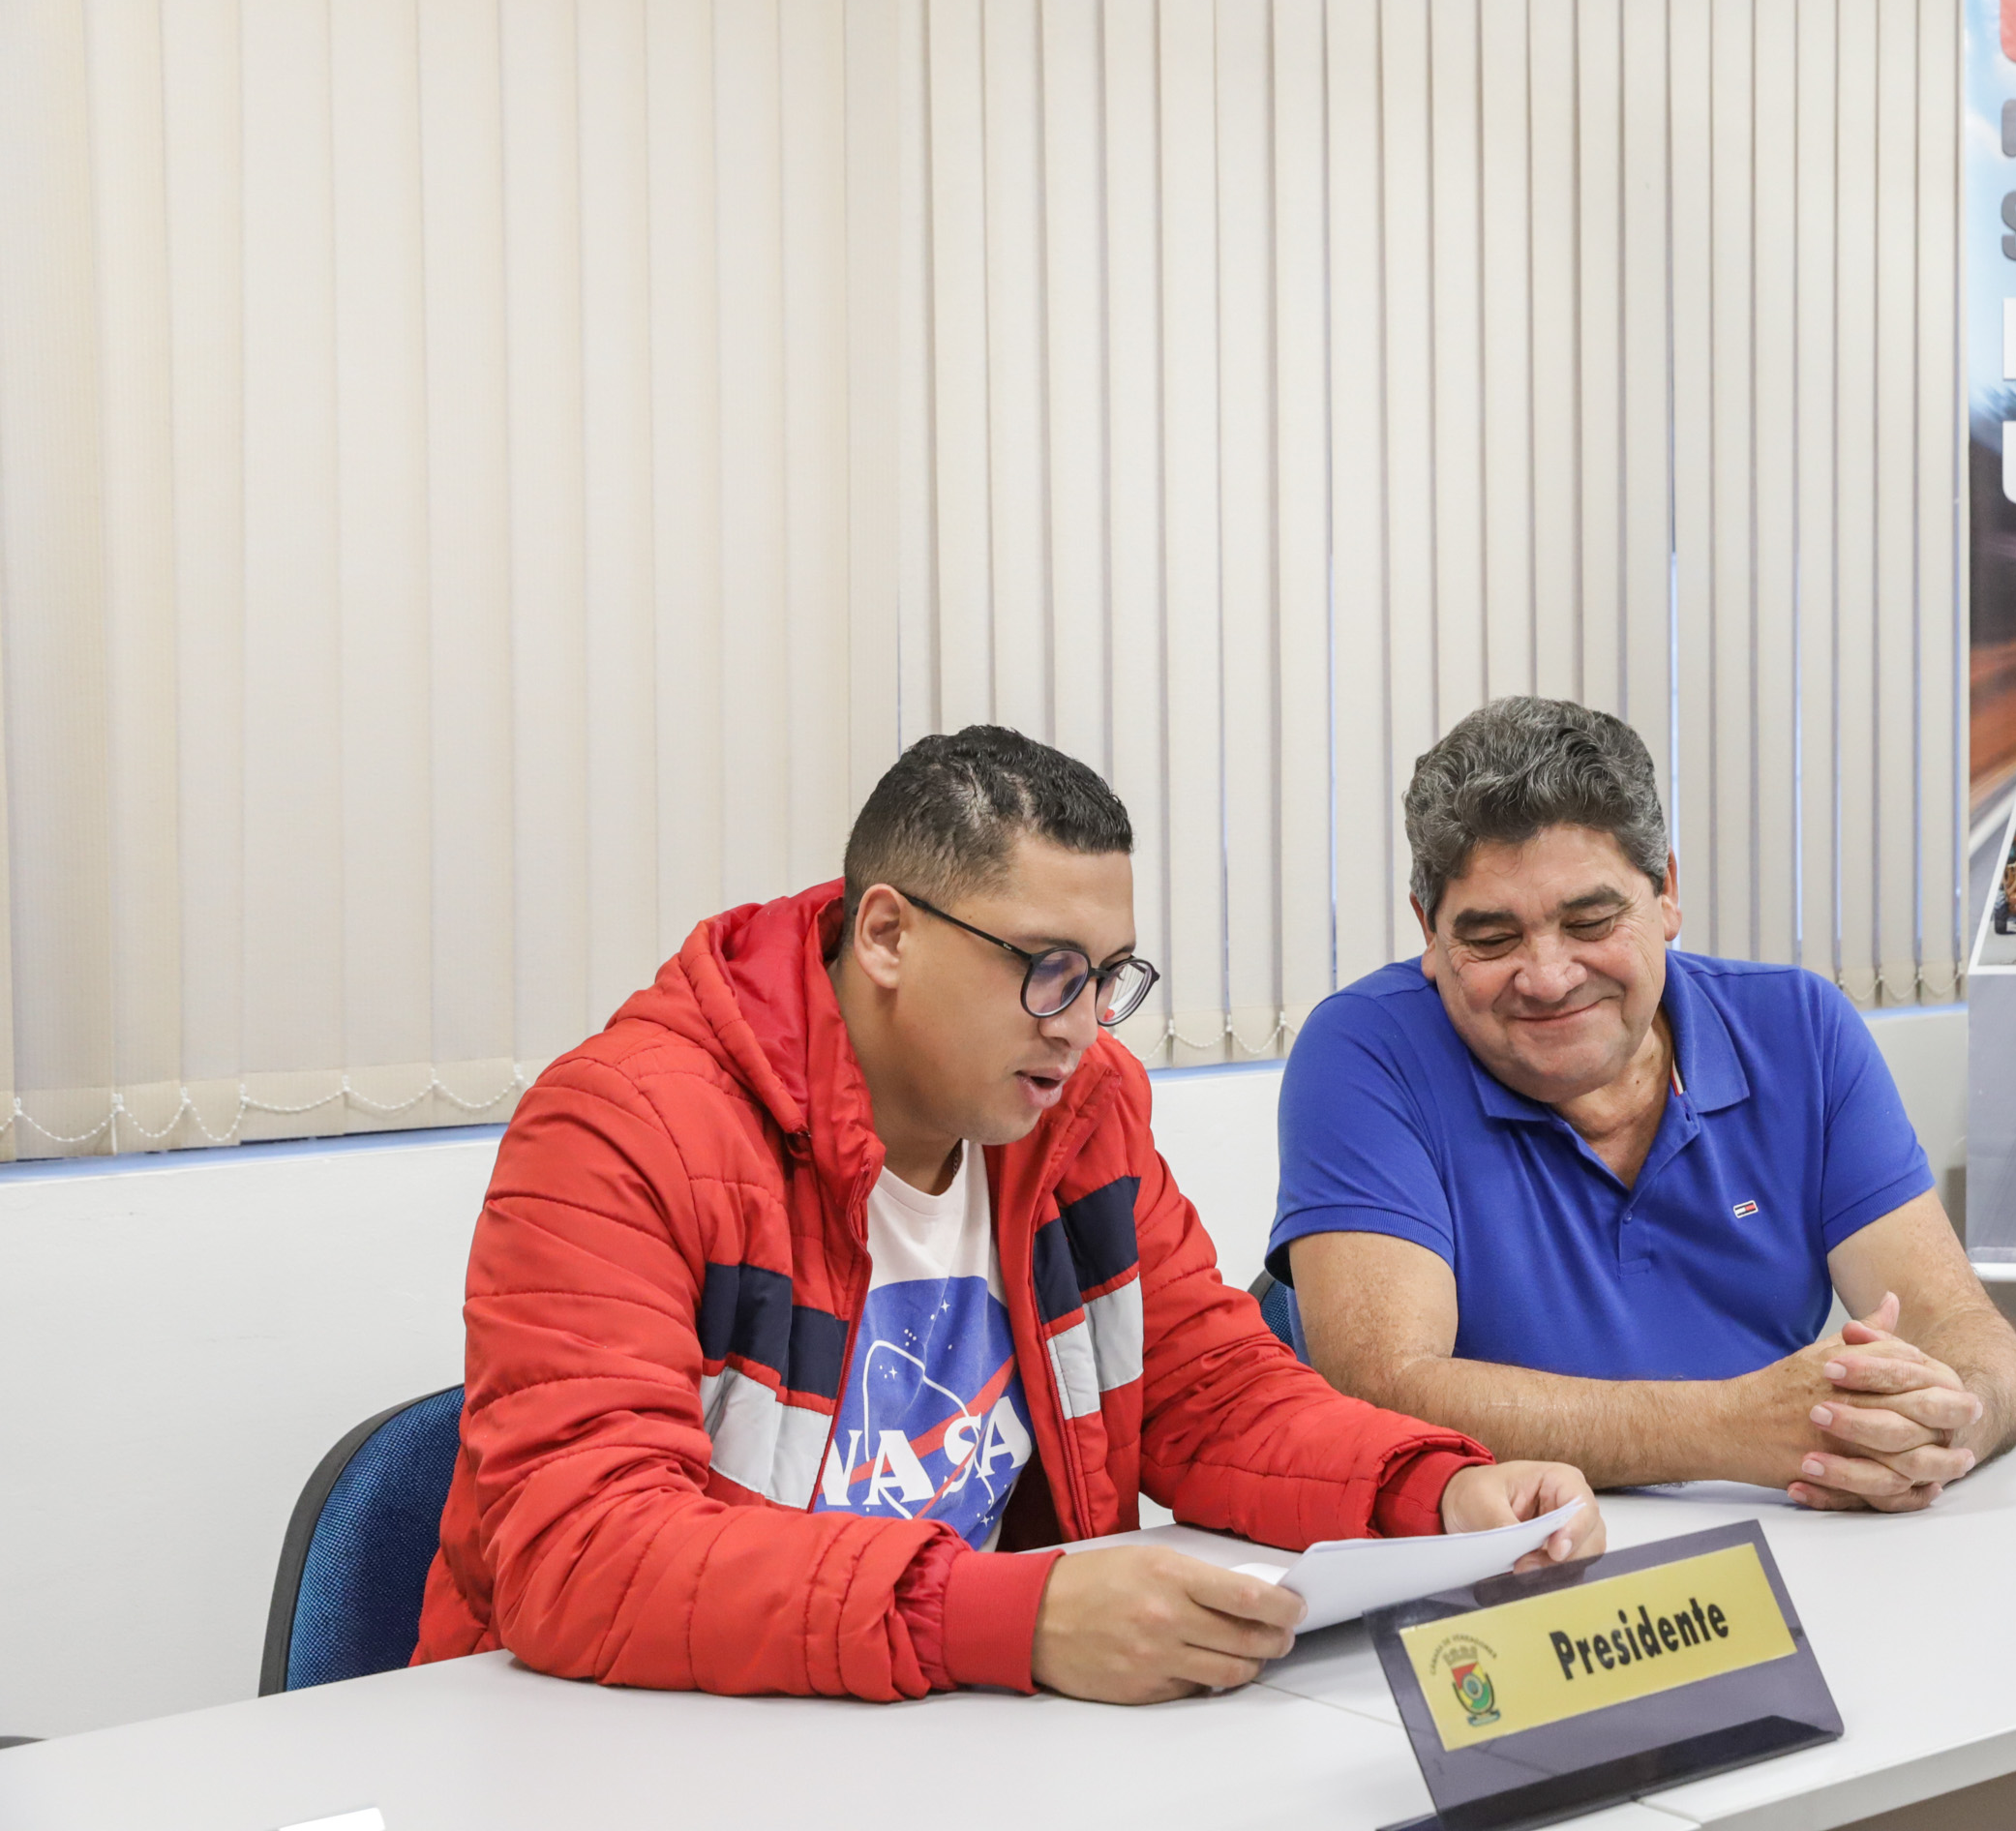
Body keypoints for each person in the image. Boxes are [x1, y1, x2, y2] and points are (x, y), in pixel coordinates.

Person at [415, 727, 1601, 1705]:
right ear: (887, 933)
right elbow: (584, 1548)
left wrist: (1434, 1492)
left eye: (1107, 974)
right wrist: (1008, 1614)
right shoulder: (622, 1129)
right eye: (1046, 965)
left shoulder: (1080, 1110)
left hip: (938, 1724)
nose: (1080, 1025)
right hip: (631, 1739)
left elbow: (1213, 1391)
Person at [1268, 697, 2016, 1514]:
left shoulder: (1800, 1029)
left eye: (1591, 921)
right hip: (1500, 1553)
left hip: (1773, 1543)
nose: (1549, 977)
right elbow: (1385, 1387)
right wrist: (1733, 1427)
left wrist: (1941, 1427)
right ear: (1429, 931)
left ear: (1666, 893)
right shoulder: (1365, 1050)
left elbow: (1960, 1325)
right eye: (1492, 939)